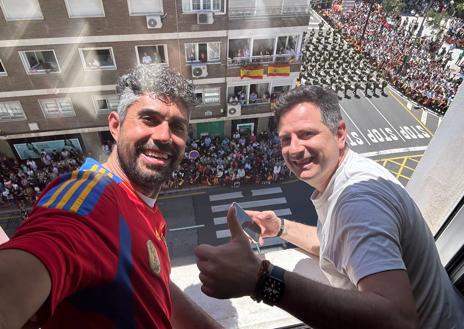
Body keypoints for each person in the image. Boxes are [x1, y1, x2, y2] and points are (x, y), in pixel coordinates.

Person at [195, 85, 464, 329]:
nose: (294, 149)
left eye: (306, 134)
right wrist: (280, 227)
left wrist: (261, 280)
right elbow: (336, 246)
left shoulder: (357, 202)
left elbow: (398, 321)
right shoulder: (351, 174)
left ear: (340, 134)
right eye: (285, 139)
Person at [0, 65, 221, 329]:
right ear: (115, 126)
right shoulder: (90, 195)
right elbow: (31, 263)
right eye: (149, 119)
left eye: (177, 127)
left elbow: (148, 284)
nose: (164, 136)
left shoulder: (143, 206)